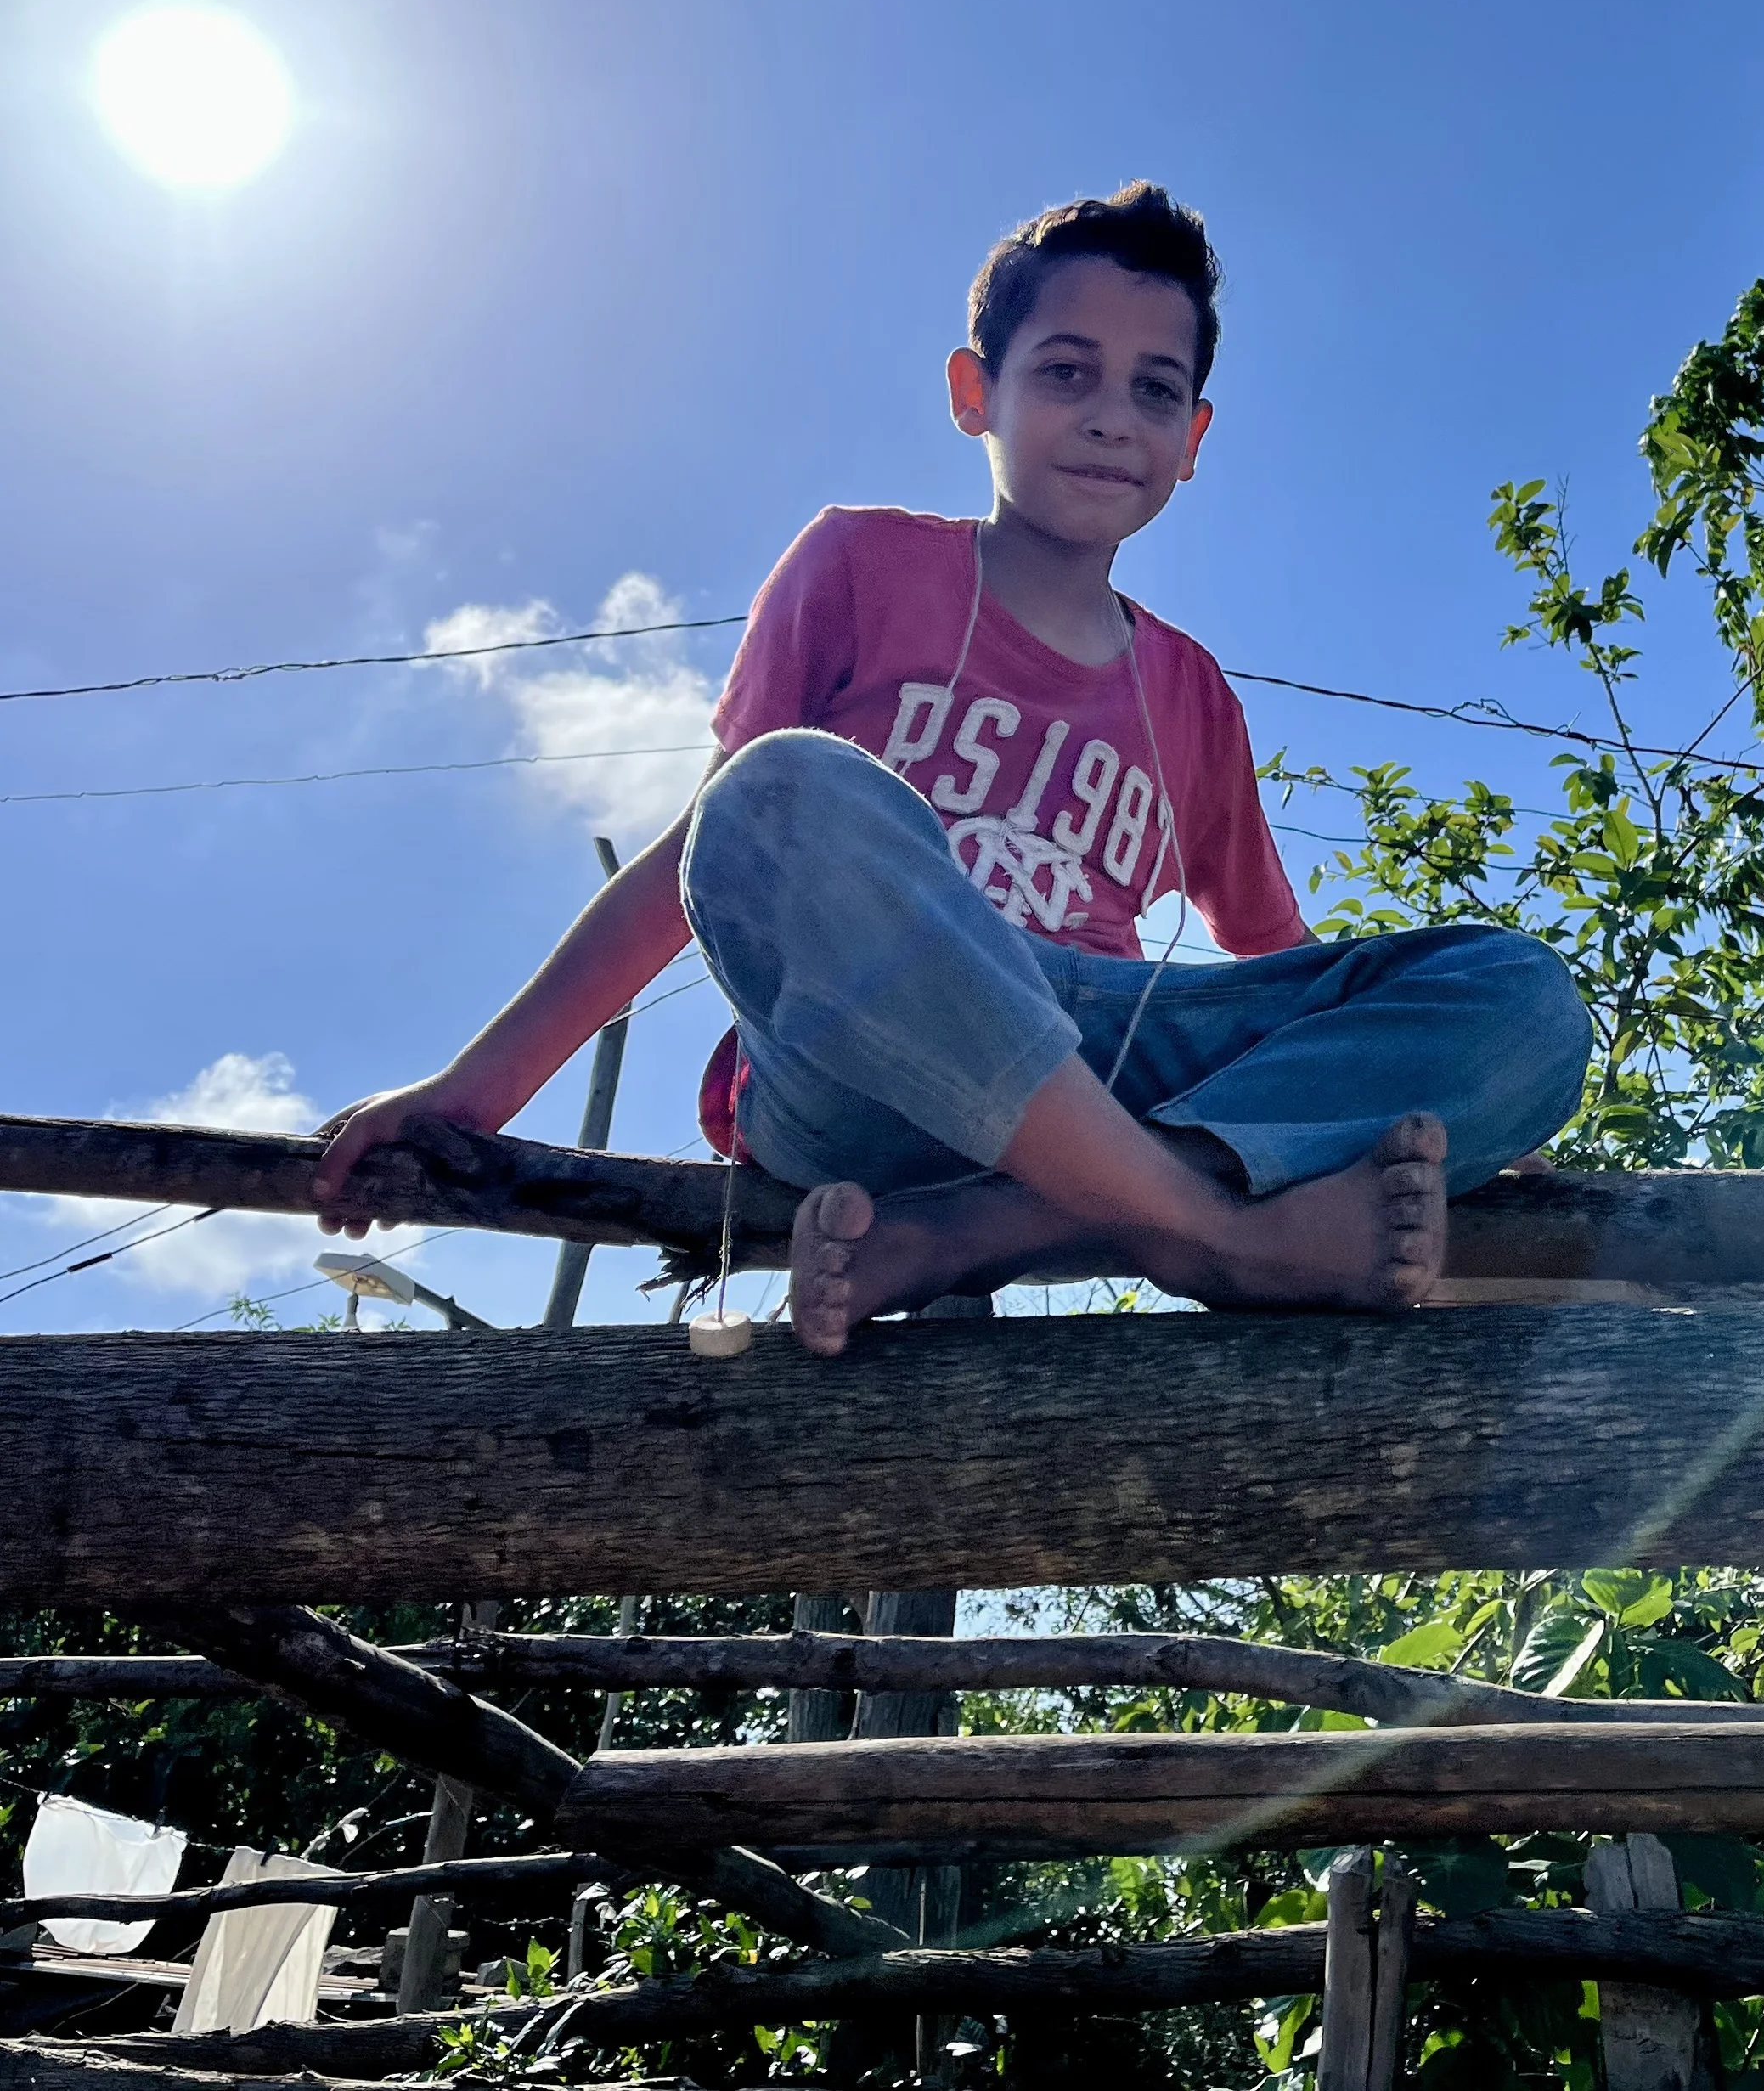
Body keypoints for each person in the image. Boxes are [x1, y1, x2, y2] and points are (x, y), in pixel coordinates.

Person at [313, 182, 1592, 1352]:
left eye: (1155, 390)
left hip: (1102, 1058)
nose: (1109, 417)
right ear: (975, 392)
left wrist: (1447, 1095)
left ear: (1195, 437)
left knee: (1521, 994)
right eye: (1066, 372)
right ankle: (1218, 1233)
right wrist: (470, 1093)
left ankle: (982, 1230)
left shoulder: (1191, 691)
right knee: (777, 796)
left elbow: (1280, 963)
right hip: (858, 1074)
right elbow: (706, 864)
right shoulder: (862, 566)